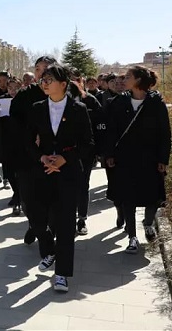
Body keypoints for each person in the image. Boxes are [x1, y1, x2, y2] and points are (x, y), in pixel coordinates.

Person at [26, 64, 94, 293]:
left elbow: (88, 144)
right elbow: (27, 141)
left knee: (65, 224)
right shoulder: (37, 108)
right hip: (43, 171)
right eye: (43, 79)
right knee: (36, 217)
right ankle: (49, 250)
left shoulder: (78, 109)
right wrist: (42, 157)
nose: (44, 83)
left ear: (63, 84)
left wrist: (65, 158)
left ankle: (62, 274)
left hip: (68, 172)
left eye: (49, 80)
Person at [104, 66, 171, 254]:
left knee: (153, 197)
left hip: (150, 158)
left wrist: (163, 158)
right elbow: (111, 131)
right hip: (125, 158)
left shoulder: (156, 103)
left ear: (139, 80)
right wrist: (109, 154)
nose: (123, 80)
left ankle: (148, 223)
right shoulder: (119, 102)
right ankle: (132, 237)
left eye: (128, 77)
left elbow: (165, 133)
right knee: (128, 198)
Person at [9, 56, 57, 245]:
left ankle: (46, 231)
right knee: (28, 198)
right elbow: (14, 124)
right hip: (28, 156)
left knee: (52, 199)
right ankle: (36, 225)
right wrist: (31, 136)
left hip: (54, 157)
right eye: (38, 69)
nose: (41, 73)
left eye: (46, 69)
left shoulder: (61, 95)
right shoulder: (24, 95)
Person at [68, 68, 103, 235]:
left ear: (81, 80)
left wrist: (98, 150)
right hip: (64, 152)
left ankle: (81, 219)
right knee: (67, 187)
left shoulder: (90, 100)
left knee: (83, 185)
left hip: (85, 152)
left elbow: (100, 125)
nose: (72, 82)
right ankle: (67, 218)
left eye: (76, 79)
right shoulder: (58, 102)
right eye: (69, 79)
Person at [0, 77, 24, 214]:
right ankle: (17, 194)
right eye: (10, 88)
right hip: (6, 140)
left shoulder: (25, 99)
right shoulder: (2, 100)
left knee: (21, 171)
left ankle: (18, 198)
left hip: (22, 141)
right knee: (9, 171)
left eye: (16, 88)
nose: (13, 91)